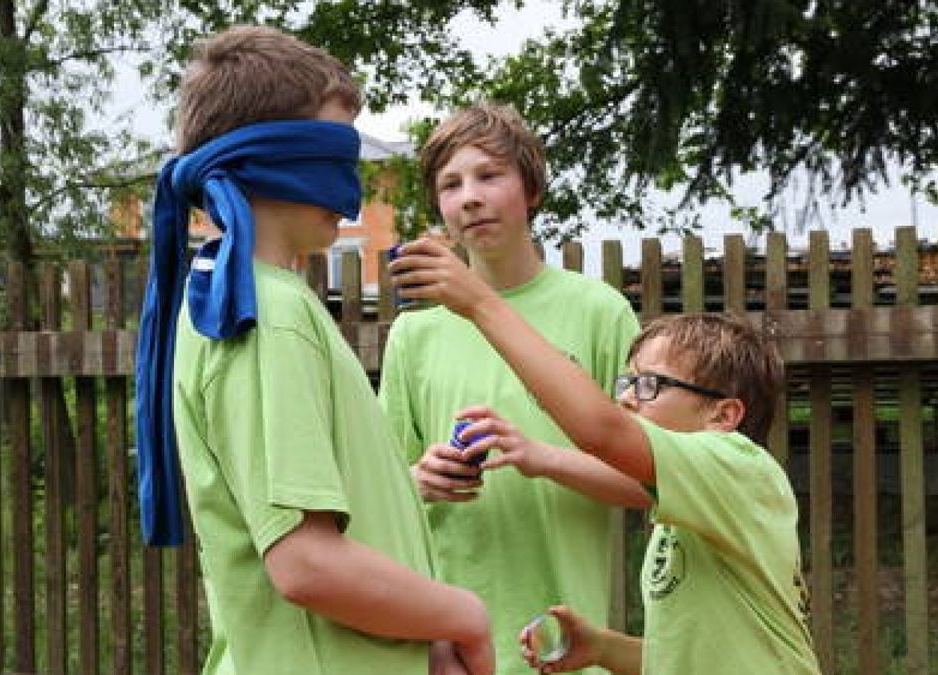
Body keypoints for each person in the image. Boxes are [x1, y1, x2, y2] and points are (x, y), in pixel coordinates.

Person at [133, 26, 492, 675]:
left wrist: (420, 631)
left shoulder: (244, 298)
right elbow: (305, 563)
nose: (351, 183)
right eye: (335, 152)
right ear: (269, 155)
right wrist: (461, 614)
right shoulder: (262, 313)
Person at [389, 244, 820, 674]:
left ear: (722, 415)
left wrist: (481, 303)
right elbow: (688, 658)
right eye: (627, 383)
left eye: (650, 385)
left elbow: (602, 432)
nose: (628, 399)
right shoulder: (687, 514)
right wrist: (602, 648)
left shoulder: (739, 466)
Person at [379, 102, 647, 675]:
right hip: (449, 651)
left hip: (567, 646)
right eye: (451, 185)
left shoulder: (601, 312)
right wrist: (417, 480)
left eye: (489, 175)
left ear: (533, 191)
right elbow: (380, 498)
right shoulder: (412, 335)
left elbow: (651, 483)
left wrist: (542, 458)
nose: (470, 197)